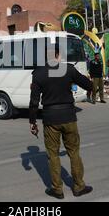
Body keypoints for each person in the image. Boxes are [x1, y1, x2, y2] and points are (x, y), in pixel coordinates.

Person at [29, 47, 94, 199]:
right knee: (74, 153)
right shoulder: (69, 70)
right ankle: (79, 187)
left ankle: (57, 190)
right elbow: (89, 86)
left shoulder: (38, 74)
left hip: (50, 118)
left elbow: (33, 102)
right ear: (58, 56)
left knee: (53, 155)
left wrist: (32, 122)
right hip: (69, 116)